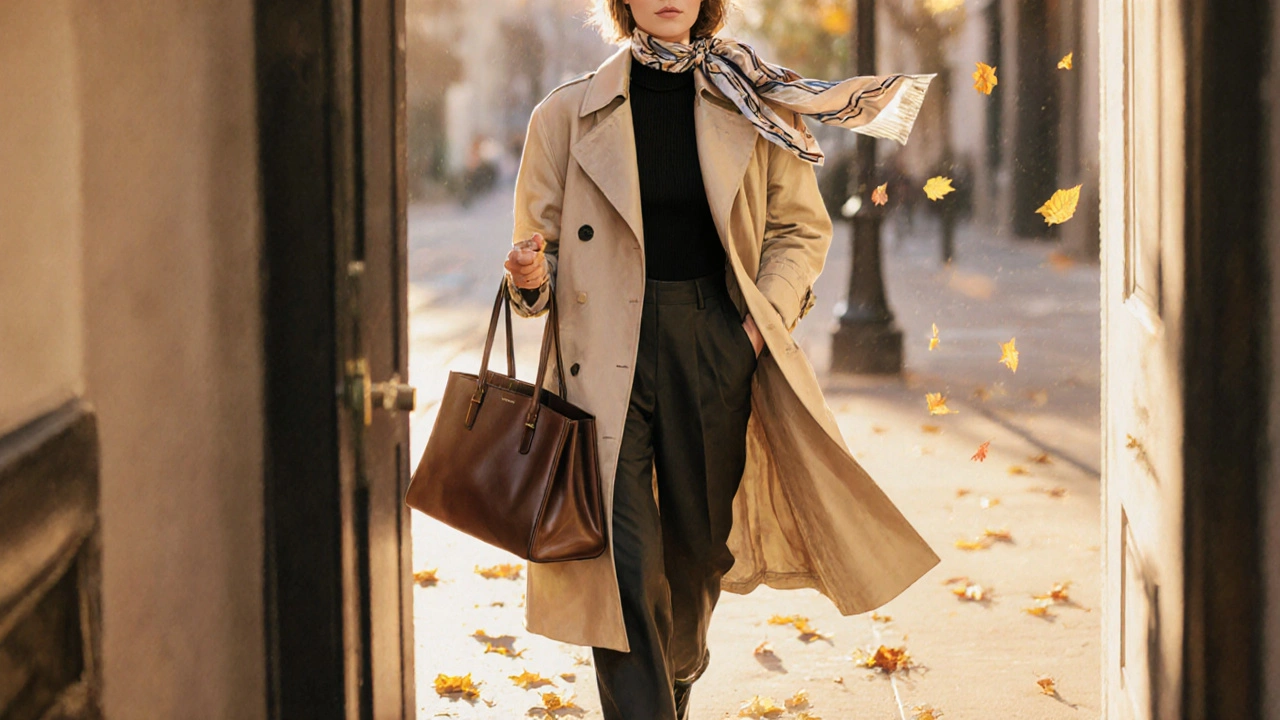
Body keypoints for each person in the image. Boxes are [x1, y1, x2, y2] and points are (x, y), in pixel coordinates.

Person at [502, 2, 939, 717]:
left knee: (697, 555)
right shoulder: (565, 113)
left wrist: (751, 335)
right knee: (621, 563)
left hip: (713, 340)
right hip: (601, 353)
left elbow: (799, 230)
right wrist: (527, 278)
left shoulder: (756, 104)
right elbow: (539, 253)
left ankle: (676, 673)